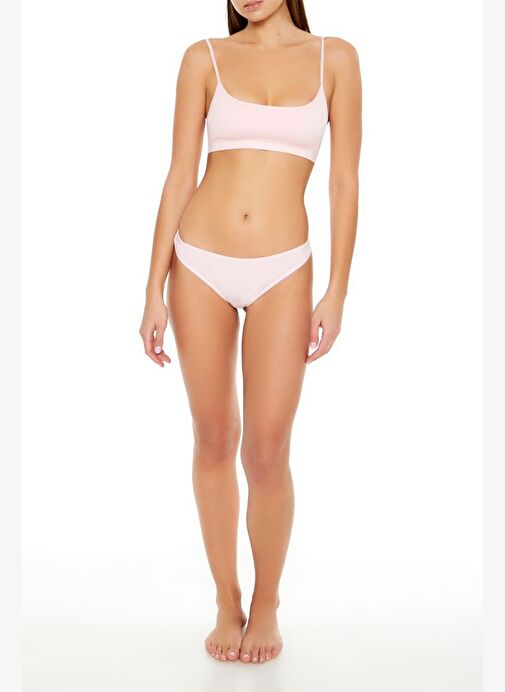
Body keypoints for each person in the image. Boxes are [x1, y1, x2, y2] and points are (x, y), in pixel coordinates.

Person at [139, 0, 362, 665]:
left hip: (284, 268)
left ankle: (266, 603)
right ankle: (226, 598)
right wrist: (152, 288)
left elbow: (344, 182)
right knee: (213, 438)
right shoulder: (203, 58)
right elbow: (179, 174)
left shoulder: (335, 59)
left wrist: (337, 290)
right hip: (198, 261)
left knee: (267, 451)